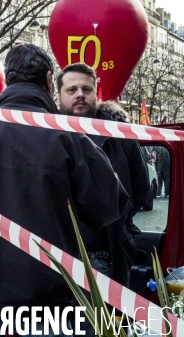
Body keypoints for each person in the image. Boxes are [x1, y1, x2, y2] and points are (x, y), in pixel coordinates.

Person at [0, 44, 128, 337]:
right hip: (48, 304)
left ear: (7, 81)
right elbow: (108, 204)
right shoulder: (65, 134)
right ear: (46, 79)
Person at [57, 63, 150, 290]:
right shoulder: (48, 132)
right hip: (58, 257)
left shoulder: (119, 134)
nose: (80, 94)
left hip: (105, 255)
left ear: (95, 92)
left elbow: (139, 191)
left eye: (86, 89)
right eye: (72, 90)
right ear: (58, 95)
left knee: (103, 324)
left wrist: (118, 221)